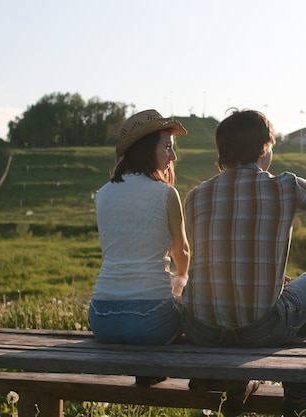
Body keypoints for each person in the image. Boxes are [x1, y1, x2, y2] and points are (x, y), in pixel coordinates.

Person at [181, 109, 306, 416]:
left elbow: (214, 256)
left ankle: (239, 386)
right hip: (259, 329)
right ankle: (298, 390)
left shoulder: (195, 196)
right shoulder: (283, 186)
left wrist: (275, 277)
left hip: (202, 328)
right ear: (264, 147)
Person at [88, 109, 190, 386]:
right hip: (149, 321)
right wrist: (181, 278)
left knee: (167, 284)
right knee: (183, 285)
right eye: (167, 147)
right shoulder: (166, 193)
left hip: (101, 318)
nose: (173, 157)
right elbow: (181, 252)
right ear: (147, 149)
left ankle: (148, 369)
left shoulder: (104, 193)